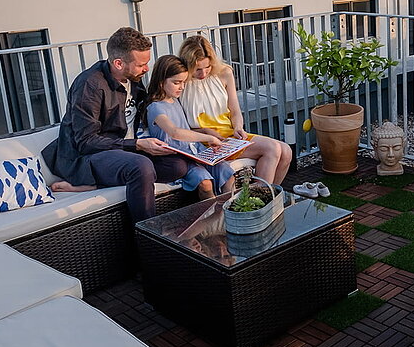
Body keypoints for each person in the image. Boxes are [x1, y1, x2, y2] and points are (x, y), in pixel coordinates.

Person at [42, 27, 185, 222]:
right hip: (86, 157)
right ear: (118, 63)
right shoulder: (90, 85)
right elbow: (86, 142)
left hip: (122, 153)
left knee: (177, 166)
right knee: (141, 166)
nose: (146, 68)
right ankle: (148, 234)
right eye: (141, 64)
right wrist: (136, 144)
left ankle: (95, 184)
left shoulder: (133, 79)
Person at [176, 34, 292, 184]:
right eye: (197, 69)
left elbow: (235, 111)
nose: (203, 73)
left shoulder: (224, 73)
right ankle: (259, 201)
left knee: (287, 151)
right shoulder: (179, 83)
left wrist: (238, 127)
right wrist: (205, 133)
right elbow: (179, 127)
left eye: (207, 67)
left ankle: (267, 198)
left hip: (228, 137)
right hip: (203, 143)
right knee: (272, 149)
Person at [137, 54, 236, 199]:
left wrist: (205, 131)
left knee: (227, 173)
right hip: (178, 157)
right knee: (205, 183)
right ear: (161, 82)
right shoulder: (155, 108)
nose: (182, 87)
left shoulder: (174, 100)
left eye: (183, 82)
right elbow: (175, 132)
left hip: (195, 152)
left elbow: (185, 129)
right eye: (177, 83)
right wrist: (207, 136)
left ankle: (230, 211)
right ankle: (215, 217)